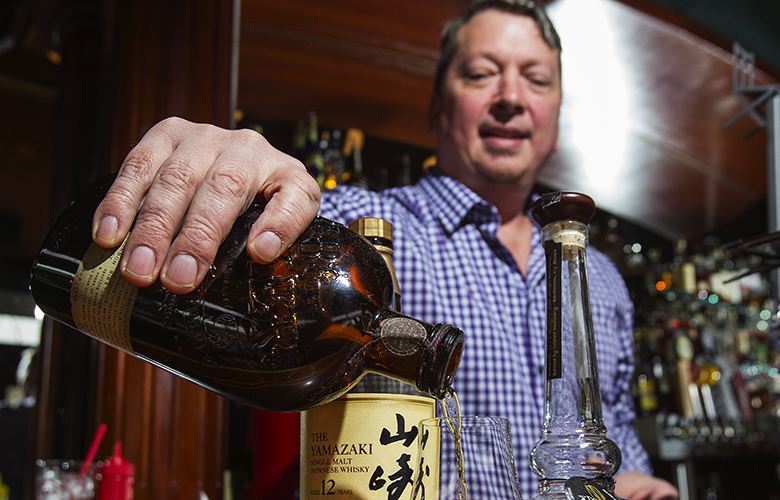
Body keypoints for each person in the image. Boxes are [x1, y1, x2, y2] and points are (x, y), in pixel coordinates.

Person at [90, 0, 678, 498]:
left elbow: (610, 432)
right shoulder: (361, 233)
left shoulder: (598, 277)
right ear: (436, 107)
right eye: (481, 74)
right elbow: (264, 240)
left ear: (554, 117)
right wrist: (228, 176)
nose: (510, 97)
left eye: (536, 79)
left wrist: (631, 481)